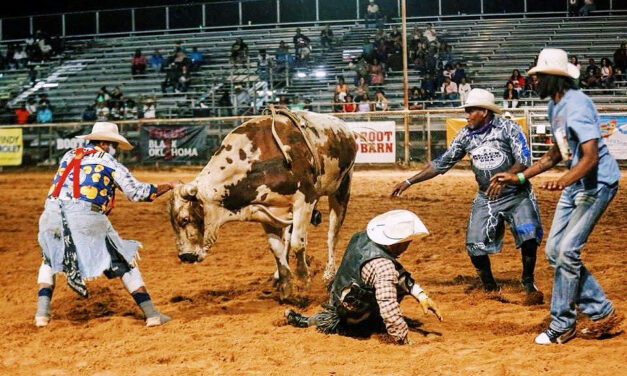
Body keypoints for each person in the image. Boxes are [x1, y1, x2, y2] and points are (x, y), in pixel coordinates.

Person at [491, 48, 624, 345]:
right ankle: (601, 312)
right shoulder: (556, 106)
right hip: (576, 185)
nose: (533, 82)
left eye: (538, 77)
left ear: (555, 79)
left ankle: (563, 323)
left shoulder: (576, 106)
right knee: (555, 252)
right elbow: (557, 152)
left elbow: (589, 157)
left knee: (566, 252)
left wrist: (563, 180)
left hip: (596, 184)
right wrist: (522, 175)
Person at [391, 89, 544, 302]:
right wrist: (409, 181)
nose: (467, 115)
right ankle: (490, 286)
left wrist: (507, 176)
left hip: (517, 194)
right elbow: (441, 163)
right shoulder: (465, 135)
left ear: (484, 111)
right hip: (487, 197)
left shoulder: (509, 128)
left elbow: (523, 160)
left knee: (528, 235)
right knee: (474, 245)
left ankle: (528, 280)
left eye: (470, 111)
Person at [34, 122, 178, 327]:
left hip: (51, 214)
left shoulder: (69, 155)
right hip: (85, 216)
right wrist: (169, 185)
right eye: (115, 146)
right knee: (124, 260)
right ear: (104, 143)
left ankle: (42, 314)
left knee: (49, 259)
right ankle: (152, 314)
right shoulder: (109, 161)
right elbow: (138, 193)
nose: (116, 150)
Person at [284, 210, 442, 344]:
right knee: (384, 296)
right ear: (399, 243)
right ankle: (326, 322)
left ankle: (308, 320)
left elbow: (396, 270)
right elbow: (387, 304)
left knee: (387, 281)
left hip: (339, 293)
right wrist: (402, 337)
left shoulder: (361, 237)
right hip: (352, 312)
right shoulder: (384, 266)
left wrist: (420, 295)